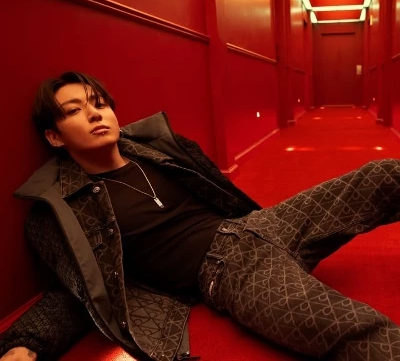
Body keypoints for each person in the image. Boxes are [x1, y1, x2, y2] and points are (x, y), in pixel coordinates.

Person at [1, 71, 400, 361]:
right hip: (227, 273)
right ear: (54, 136)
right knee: (348, 327)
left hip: (259, 225)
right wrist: (26, 343)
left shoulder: (160, 149)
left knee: (381, 176)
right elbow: (81, 290)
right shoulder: (63, 210)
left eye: (99, 103)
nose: (94, 114)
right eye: (75, 110)